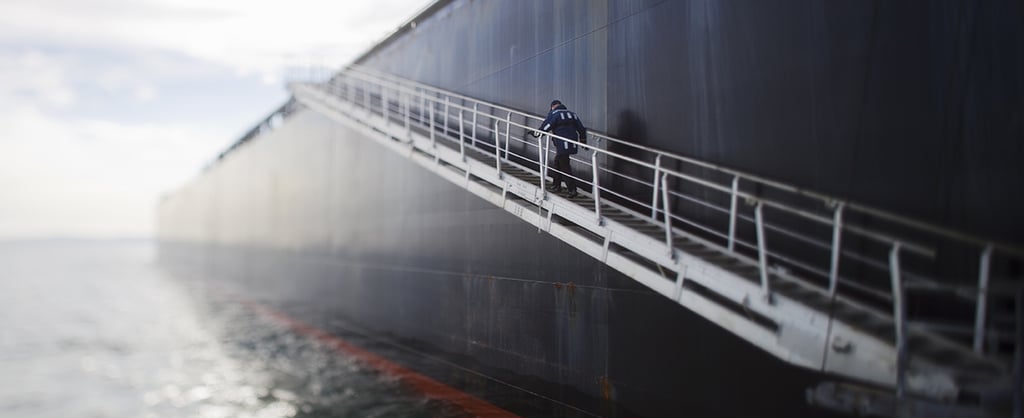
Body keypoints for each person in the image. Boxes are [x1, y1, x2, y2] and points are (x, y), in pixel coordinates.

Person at [533, 99, 587, 198]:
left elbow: (547, 125)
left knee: (564, 166)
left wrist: (537, 133)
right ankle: (556, 185)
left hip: (562, 143)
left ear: (553, 106)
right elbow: (581, 128)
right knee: (558, 162)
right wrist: (583, 141)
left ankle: (572, 189)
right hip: (572, 142)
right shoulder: (572, 114)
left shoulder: (554, 114)